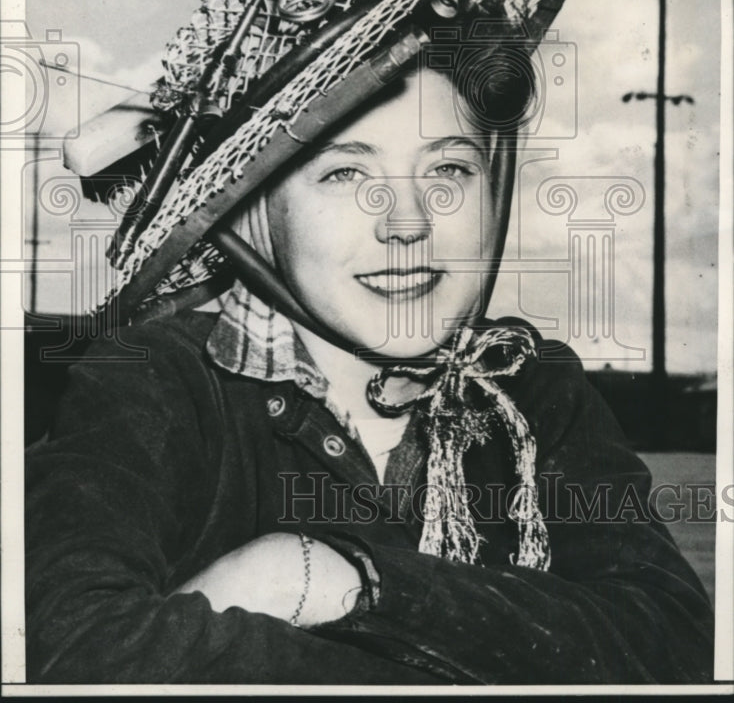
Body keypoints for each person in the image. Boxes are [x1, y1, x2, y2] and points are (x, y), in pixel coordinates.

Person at [25, 47, 714, 686]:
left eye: (448, 168)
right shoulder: (155, 383)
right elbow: (70, 649)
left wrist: (333, 579)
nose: (406, 222)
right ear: (254, 207)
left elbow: (670, 648)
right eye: (345, 171)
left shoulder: (529, 385)